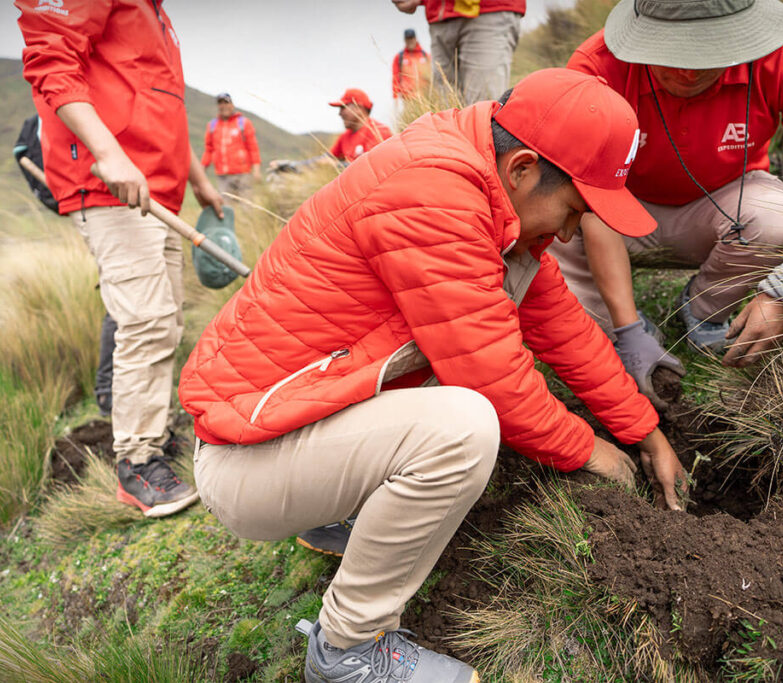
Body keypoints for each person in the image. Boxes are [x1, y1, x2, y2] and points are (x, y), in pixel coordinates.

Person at [179, 68, 687, 682]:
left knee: (464, 383)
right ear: (523, 168)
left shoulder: (484, 190)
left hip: (292, 423)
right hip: (245, 460)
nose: (570, 232)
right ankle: (348, 650)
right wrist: (593, 452)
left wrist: (645, 433)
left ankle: (338, 516)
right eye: (574, 210)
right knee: (464, 427)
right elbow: (495, 379)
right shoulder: (433, 195)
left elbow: (561, 325)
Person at [550, 0, 783, 399]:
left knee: (780, 221)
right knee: (549, 263)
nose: (688, 71)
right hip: (614, 211)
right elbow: (588, 198)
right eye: (670, 52)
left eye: (709, 52)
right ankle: (621, 325)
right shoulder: (597, 66)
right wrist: (626, 325)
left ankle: (702, 309)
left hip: (722, 203)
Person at [17, 0, 224, 518]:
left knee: (166, 321)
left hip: (159, 189)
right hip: (109, 185)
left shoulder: (154, 13)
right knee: (146, 321)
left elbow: (157, 104)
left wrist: (198, 179)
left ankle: (156, 434)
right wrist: (108, 154)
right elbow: (51, 61)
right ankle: (137, 464)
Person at [392, 0, 525, 104]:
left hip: (488, 11)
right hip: (439, 17)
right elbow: (395, 77)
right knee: (446, 113)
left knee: (483, 111)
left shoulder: (423, 55)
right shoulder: (400, 57)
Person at [201, 92, 262, 195]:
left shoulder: (243, 123)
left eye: (226, 103)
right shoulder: (212, 126)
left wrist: (256, 170)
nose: (223, 106)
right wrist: (202, 169)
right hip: (223, 176)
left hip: (243, 174)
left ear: (232, 105)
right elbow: (209, 150)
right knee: (225, 204)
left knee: (246, 204)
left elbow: (253, 148)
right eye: (220, 103)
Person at [327, 88, 393, 163]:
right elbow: (328, 157)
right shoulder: (345, 136)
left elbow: (371, 165)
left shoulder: (379, 131)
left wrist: (335, 165)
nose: (340, 113)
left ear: (358, 108)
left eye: (343, 107)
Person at [392, 28, 431, 104]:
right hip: (408, 99)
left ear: (415, 38)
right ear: (405, 40)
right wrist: (395, 97)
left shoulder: (425, 55)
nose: (410, 41)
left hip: (424, 97)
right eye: (408, 39)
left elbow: (431, 75)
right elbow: (395, 78)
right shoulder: (399, 57)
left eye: (411, 38)